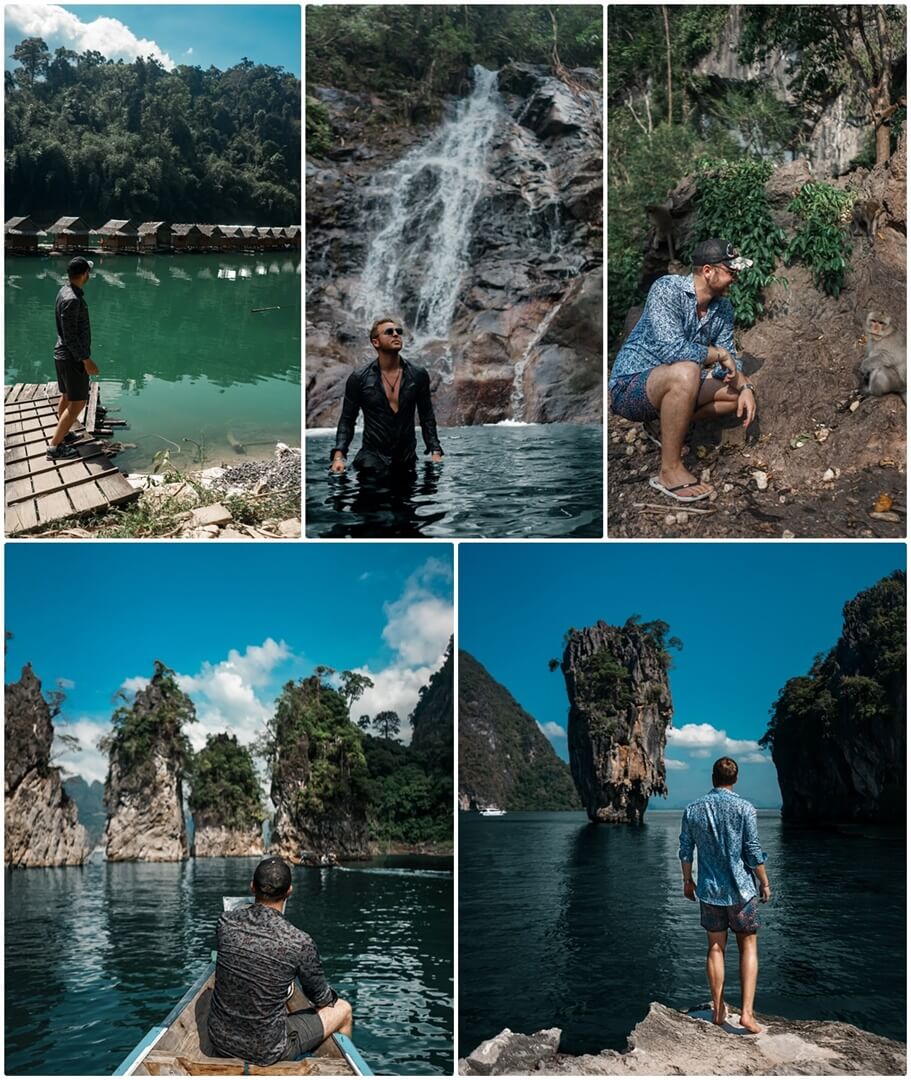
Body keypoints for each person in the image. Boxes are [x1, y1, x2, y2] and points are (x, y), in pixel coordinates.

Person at [609, 239, 758, 502]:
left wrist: (745, 386)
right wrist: (718, 355)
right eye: (731, 271)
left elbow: (730, 361)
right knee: (687, 369)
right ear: (708, 271)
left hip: (678, 381)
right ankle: (669, 471)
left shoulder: (723, 308)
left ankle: (663, 424)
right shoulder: (667, 289)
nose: (736, 278)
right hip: (631, 386)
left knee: (734, 397)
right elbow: (673, 352)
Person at [207, 856, 353, 1065]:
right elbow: (321, 998)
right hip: (267, 1050)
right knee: (344, 1010)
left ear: (252, 887)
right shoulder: (299, 942)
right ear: (289, 891)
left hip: (220, 1040)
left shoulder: (225, 923)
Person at [678, 756, 772, 1034]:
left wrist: (687, 881)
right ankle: (746, 1014)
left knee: (715, 948)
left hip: (709, 891)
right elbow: (753, 850)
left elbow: (685, 849)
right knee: (749, 946)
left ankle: (718, 1009)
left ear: (713, 778)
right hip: (742, 891)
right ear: (736, 778)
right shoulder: (745, 808)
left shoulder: (693, 809)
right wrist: (764, 882)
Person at [330, 317, 443, 479]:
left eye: (399, 332)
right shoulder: (359, 378)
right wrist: (338, 457)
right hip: (371, 460)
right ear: (376, 342)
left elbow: (427, 417)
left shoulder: (418, 375)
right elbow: (347, 420)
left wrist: (436, 451)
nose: (396, 335)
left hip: (407, 459)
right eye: (389, 332)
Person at [48, 256, 99, 461]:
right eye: (89, 272)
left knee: (68, 395)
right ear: (85, 274)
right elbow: (70, 336)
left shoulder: (64, 291)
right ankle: (54, 447)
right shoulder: (73, 299)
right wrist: (86, 360)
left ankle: (64, 433)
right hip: (71, 358)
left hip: (63, 355)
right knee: (78, 402)